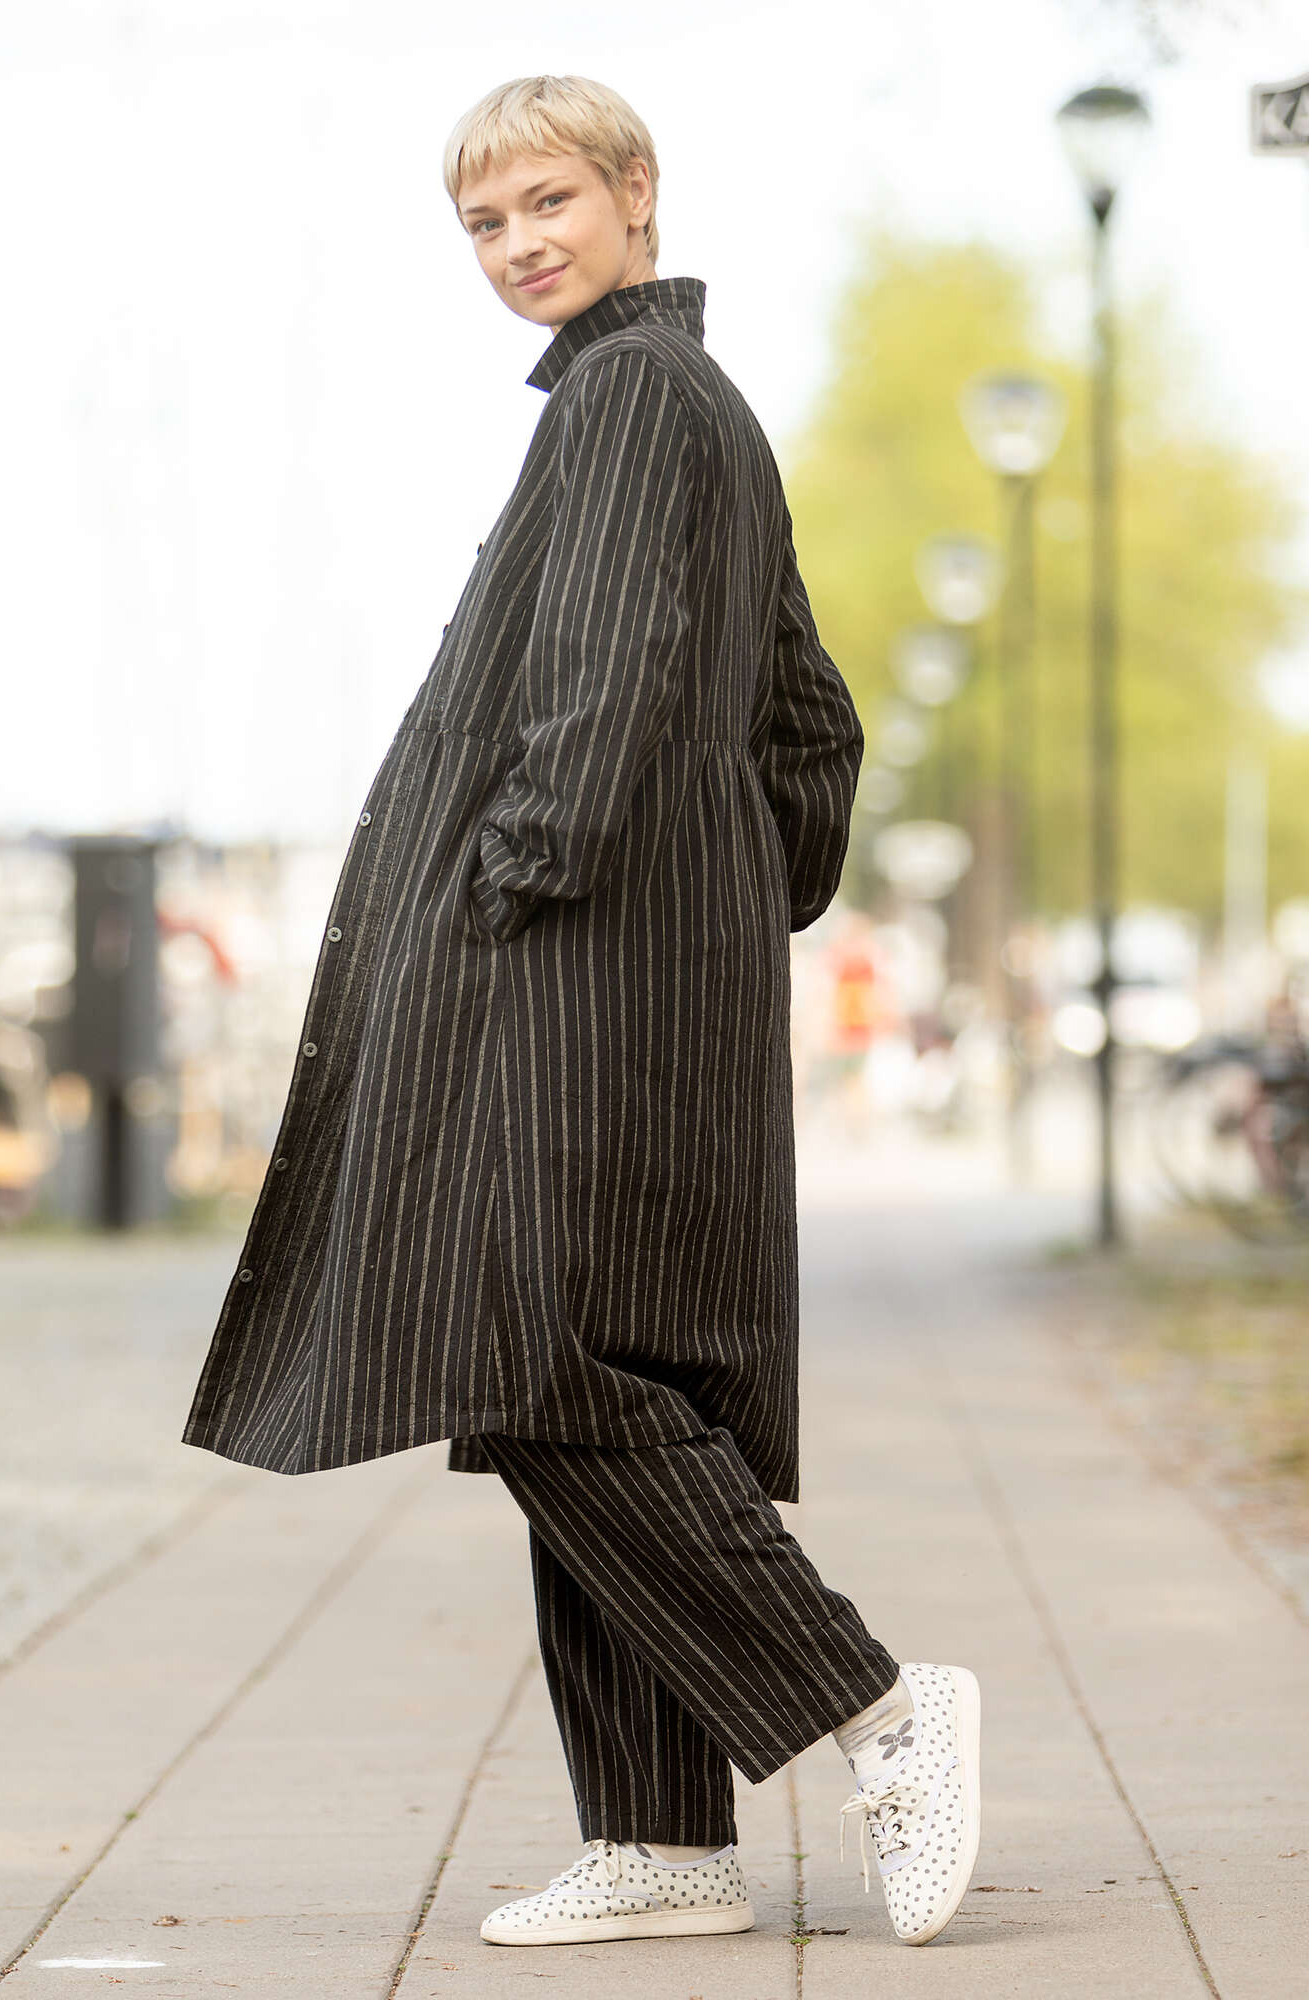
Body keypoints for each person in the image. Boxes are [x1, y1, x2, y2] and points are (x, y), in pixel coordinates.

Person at [181, 71, 980, 1953]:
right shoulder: (696, 405)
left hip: (567, 969)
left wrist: (516, 880)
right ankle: (661, 1843)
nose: (517, 243)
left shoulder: (627, 397)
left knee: (530, 1359)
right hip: (655, 972)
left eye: (547, 201)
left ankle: (873, 1703)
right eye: (483, 222)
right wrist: (732, 901)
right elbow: (810, 724)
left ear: (635, 193)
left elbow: (609, 684)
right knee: (624, 1370)